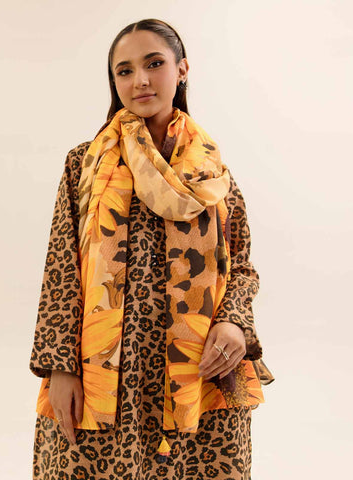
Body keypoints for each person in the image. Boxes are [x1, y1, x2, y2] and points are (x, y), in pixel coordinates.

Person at [29, 19, 275, 480]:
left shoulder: (211, 174)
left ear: (182, 70)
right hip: (108, 376)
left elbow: (241, 267)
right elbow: (61, 270)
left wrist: (234, 323)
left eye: (154, 63)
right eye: (124, 71)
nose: (140, 80)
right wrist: (59, 367)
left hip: (199, 376)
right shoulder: (86, 163)